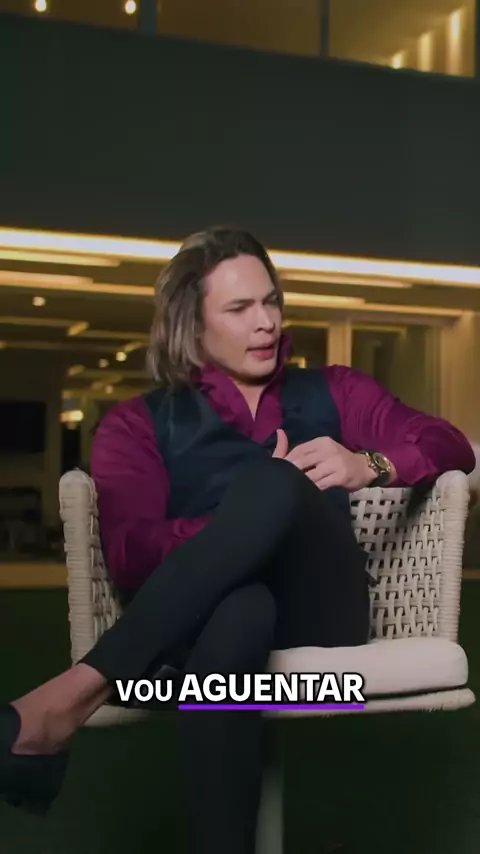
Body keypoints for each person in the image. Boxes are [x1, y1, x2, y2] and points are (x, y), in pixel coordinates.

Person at [0, 226, 475, 853]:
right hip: (201, 631)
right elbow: (131, 553)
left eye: (271, 301)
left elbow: (450, 444)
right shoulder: (136, 424)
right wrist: (244, 530)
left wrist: (370, 463)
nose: (266, 322)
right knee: (240, 603)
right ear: (192, 327)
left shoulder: (337, 390)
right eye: (239, 308)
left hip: (323, 610)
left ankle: (72, 694)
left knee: (276, 484)